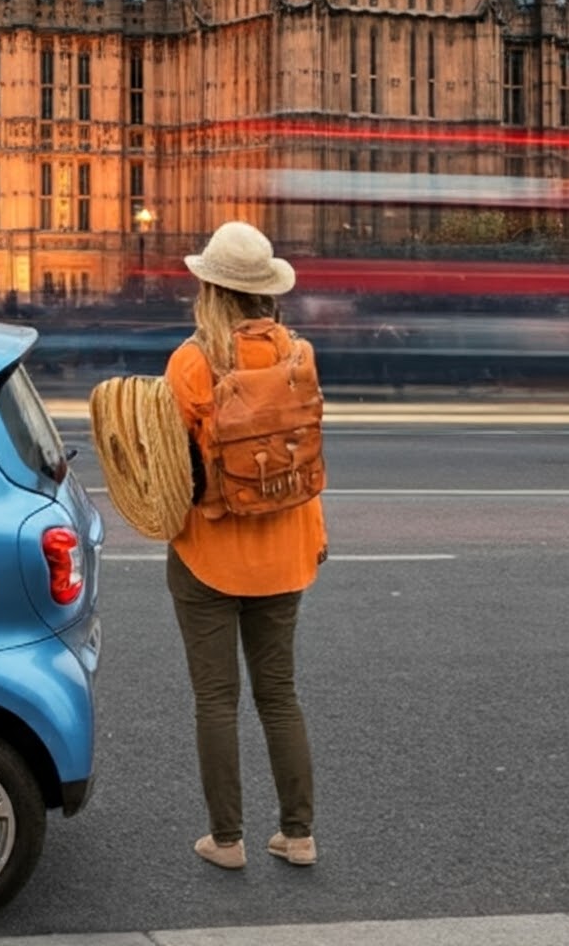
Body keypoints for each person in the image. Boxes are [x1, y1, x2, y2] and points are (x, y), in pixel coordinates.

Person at [164, 220, 325, 872]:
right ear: (266, 292)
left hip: (209, 553)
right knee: (279, 695)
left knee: (216, 701)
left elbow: (172, 469)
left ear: (211, 290)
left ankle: (226, 840)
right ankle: (299, 834)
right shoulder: (299, 357)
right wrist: (316, 538)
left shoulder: (192, 364)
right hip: (285, 550)